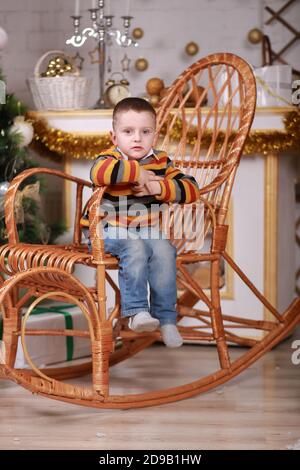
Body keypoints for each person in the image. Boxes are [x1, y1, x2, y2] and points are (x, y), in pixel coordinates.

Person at [81, 97, 200, 348]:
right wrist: (139, 173)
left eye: (145, 132)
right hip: (105, 228)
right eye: (128, 132)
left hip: (144, 228)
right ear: (114, 137)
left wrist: (157, 186)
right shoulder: (109, 159)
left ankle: (166, 319)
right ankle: (136, 312)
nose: (137, 139)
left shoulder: (162, 162)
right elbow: (98, 174)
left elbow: (192, 189)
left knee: (165, 250)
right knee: (134, 245)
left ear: (154, 136)